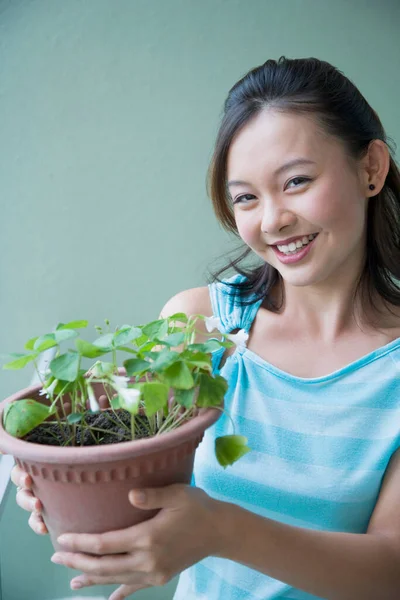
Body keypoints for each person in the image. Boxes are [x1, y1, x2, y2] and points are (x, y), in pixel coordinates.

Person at [11, 56, 400, 600]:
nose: (272, 220)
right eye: (246, 197)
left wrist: (222, 530)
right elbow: (124, 451)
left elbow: (391, 570)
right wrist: (58, 481)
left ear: (371, 169)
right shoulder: (203, 325)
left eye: (297, 181)